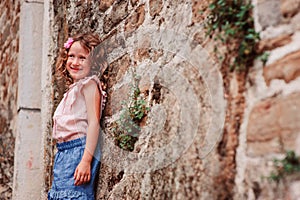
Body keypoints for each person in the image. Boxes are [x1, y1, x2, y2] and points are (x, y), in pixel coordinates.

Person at [48, 33, 107, 200]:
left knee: (74, 196)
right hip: (64, 153)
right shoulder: (74, 88)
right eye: (71, 56)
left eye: (82, 58)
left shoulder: (89, 85)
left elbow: (94, 124)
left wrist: (86, 161)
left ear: (93, 62)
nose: (75, 62)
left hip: (78, 151)